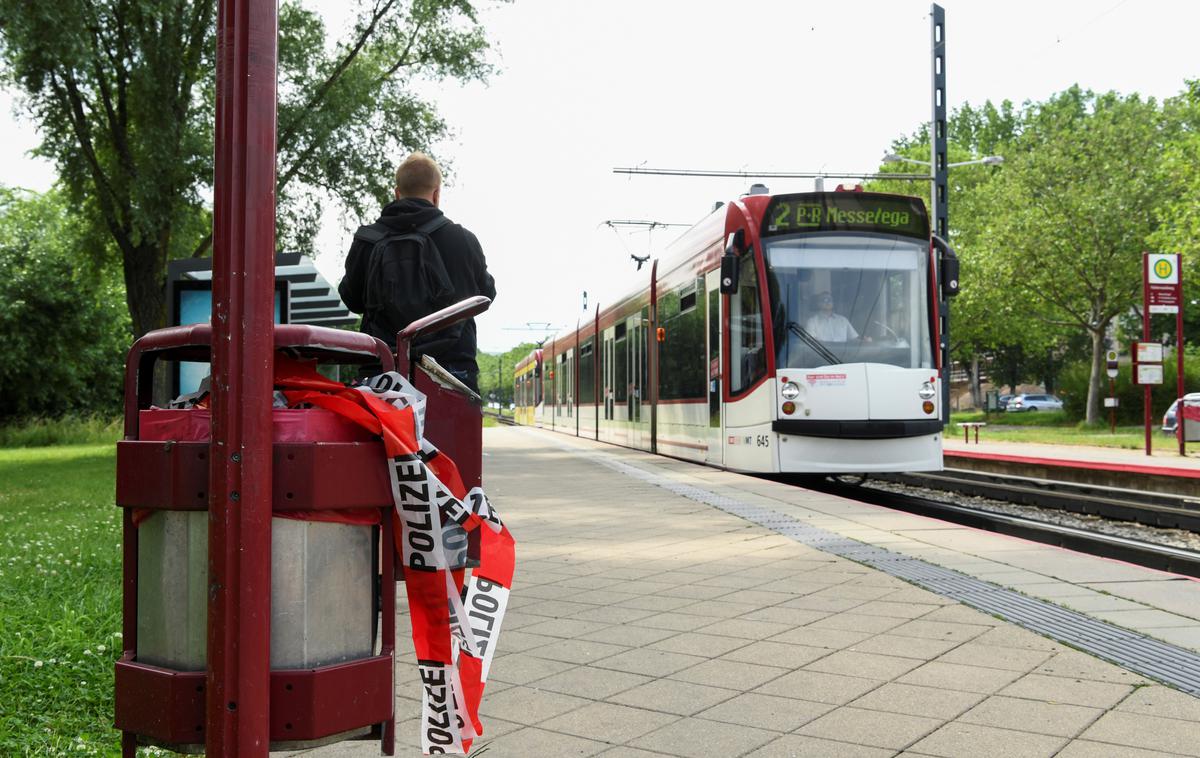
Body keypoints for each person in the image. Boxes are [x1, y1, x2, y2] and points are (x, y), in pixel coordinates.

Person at [339, 153, 495, 393]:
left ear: (397, 192)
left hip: (383, 371)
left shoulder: (367, 240)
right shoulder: (461, 239)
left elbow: (352, 300)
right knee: (453, 431)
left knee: (383, 432)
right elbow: (486, 294)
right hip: (451, 370)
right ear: (436, 194)